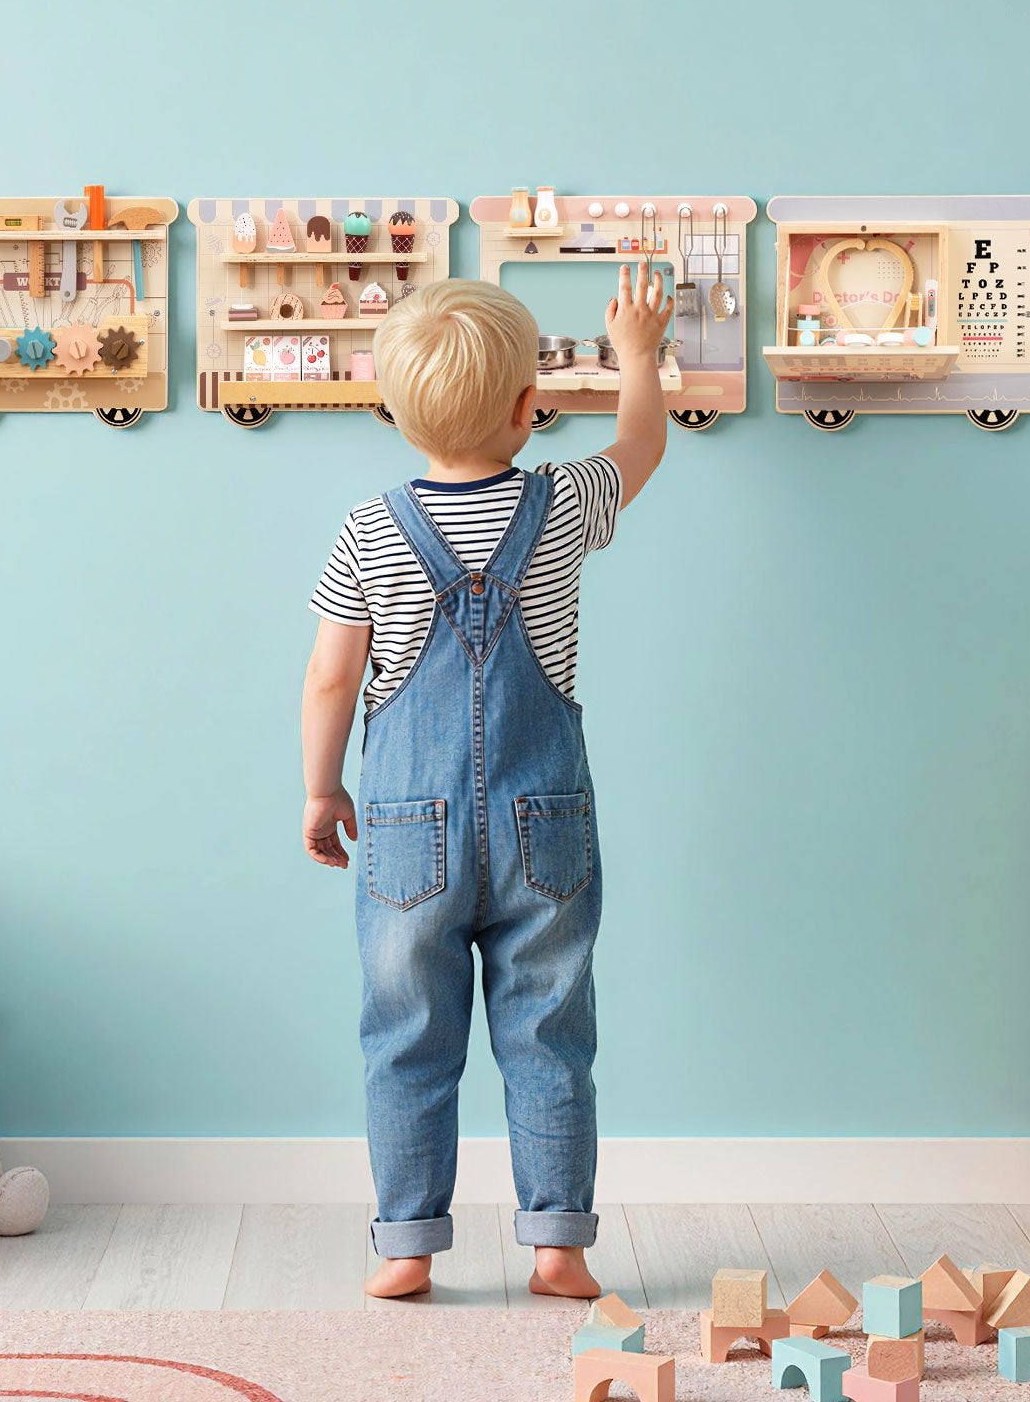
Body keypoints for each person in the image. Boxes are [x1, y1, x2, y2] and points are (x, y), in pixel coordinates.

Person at [301, 262, 674, 1298]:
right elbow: (639, 444)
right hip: (542, 821)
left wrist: (320, 789)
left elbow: (333, 673)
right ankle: (558, 1246)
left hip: (405, 829)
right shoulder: (562, 506)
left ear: (390, 410)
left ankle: (408, 1247)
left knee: (407, 1035)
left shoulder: (369, 528)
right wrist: (637, 354)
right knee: (548, 1031)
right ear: (529, 408)